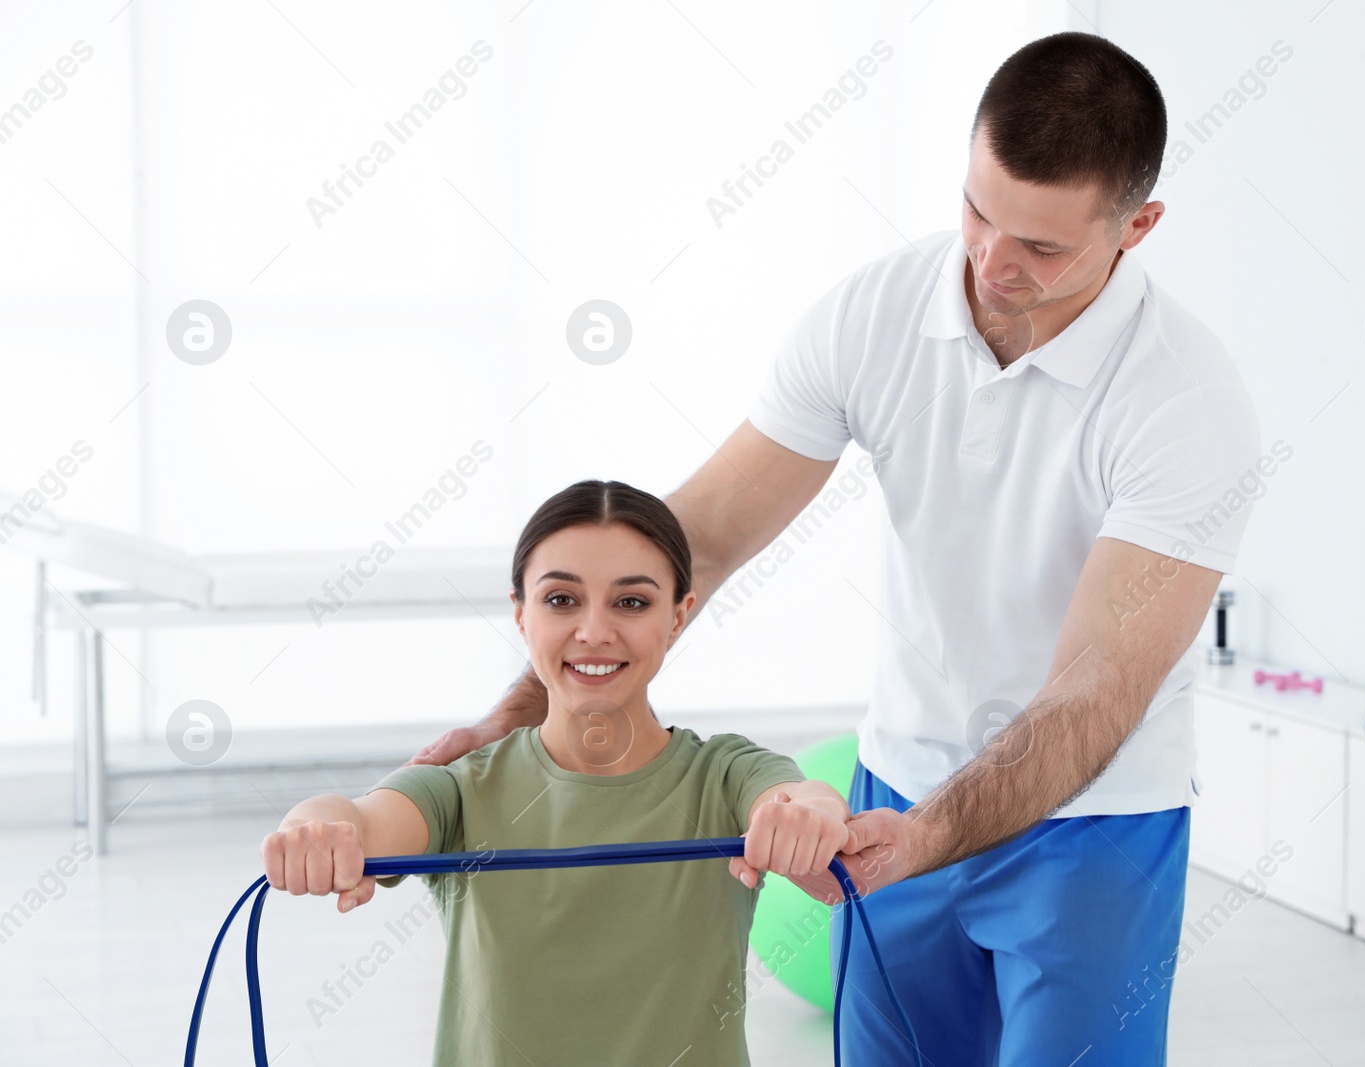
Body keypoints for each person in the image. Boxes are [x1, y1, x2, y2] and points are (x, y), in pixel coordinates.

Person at [412, 31, 1262, 1065]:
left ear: (1138, 226)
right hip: (895, 782)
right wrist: (514, 714)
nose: (992, 263)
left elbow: (1093, 692)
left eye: (1040, 247)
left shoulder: (1185, 400)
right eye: (977, 210)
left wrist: (936, 835)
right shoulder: (876, 313)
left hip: (1093, 822)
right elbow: (702, 539)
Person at [262, 480, 851, 1066]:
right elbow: (354, 818)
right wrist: (310, 828)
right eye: (562, 600)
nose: (594, 631)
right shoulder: (464, 788)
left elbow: (801, 797)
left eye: (632, 602)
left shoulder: (725, 776)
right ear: (521, 614)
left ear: (678, 616)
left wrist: (812, 815)